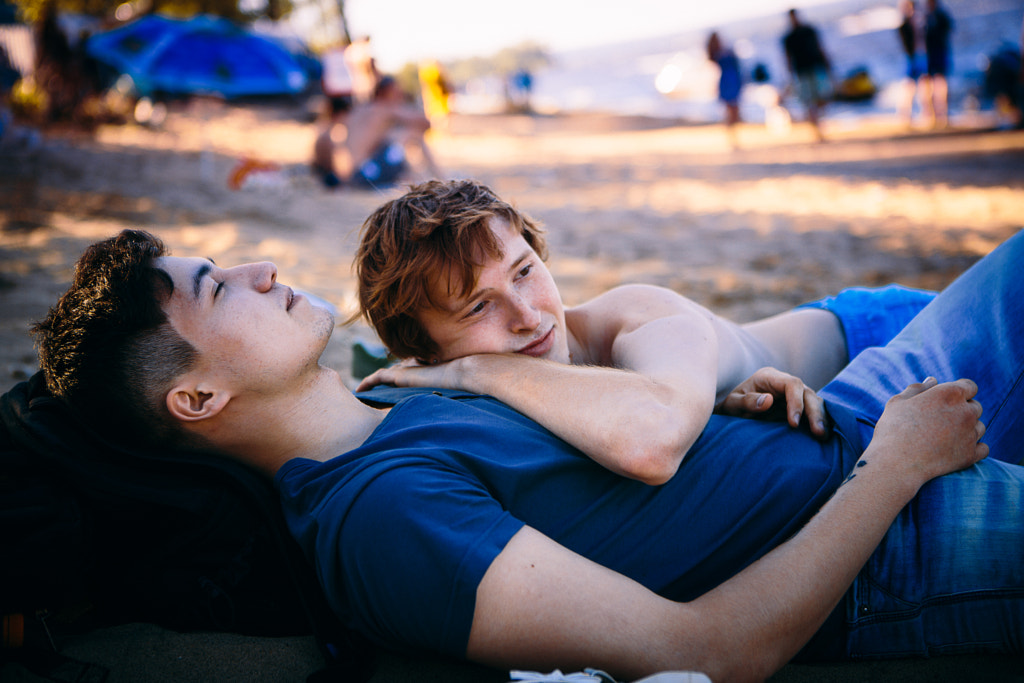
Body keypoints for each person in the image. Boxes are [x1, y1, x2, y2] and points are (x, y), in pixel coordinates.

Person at [30, 228, 1021, 682]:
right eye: (217, 285)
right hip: (893, 541)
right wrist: (889, 469)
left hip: (845, 415)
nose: (260, 265)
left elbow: (591, 457)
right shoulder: (378, 518)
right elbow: (709, 651)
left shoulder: (389, 393)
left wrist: (730, 401)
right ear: (197, 396)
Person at [354, 181, 938, 477]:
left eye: (525, 272)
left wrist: (474, 365)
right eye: (478, 308)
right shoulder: (467, 396)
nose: (528, 317)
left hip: (877, 336)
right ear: (421, 350)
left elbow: (653, 442)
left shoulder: (634, 318)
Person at [310, 76, 443, 190]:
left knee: (394, 137)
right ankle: (441, 179)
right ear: (386, 92)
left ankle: (430, 178)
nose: (400, 95)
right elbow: (426, 124)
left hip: (344, 176)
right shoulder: (385, 109)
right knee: (411, 134)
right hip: (363, 176)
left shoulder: (360, 109)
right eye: (397, 91)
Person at [781, 8, 832, 141]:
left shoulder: (809, 31)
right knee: (809, 100)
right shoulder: (789, 38)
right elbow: (787, 58)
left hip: (815, 66)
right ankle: (816, 129)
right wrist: (790, 75)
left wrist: (827, 64)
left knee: (822, 97)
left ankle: (818, 123)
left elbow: (820, 47)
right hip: (802, 71)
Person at [706, 31, 743, 147]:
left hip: (732, 81)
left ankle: (733, 135)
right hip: (728, 82)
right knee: (730, 110)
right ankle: (732, 136)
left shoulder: (723, 52)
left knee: (734, 109)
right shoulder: (717, 54)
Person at [921, 0, 954, 128]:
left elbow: (947, 30)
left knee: (940, 82)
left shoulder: (939, 16)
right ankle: (931, 114)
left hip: (938, 53)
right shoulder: (926, 17)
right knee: (928, 84)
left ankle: (942, 114)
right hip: (928, 55)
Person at [896, 0, 925, 127]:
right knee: (910, 87)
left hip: (919, 57)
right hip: (911, 58)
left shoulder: (919, 23)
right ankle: (905, 115)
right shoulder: (904, 26)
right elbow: (908, 45)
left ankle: (924, 113)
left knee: (923, 85)